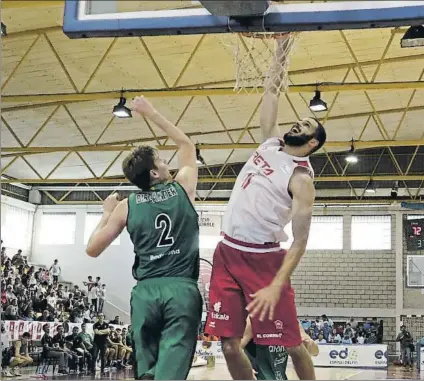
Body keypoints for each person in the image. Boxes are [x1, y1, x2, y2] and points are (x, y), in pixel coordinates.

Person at [205, 34, 326, 381]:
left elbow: (300, 241)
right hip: (227, 252)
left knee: (292, 345)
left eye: (304, 126)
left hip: (264, 261)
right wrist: (281, 47)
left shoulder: (302, 180)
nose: (296, 124)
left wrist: (277, 283)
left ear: (312, 142)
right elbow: (271, 91)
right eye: (298, 121)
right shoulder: (270, 143)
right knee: (229, 345)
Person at [86, 96, 202, 380]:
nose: (167, 163)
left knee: (146, 371)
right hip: (181, 290)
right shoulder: (182, 188)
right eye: (162, 160)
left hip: (145, 293)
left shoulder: (127, 206)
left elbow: (92, 249)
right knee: (170, 371)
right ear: (154, 172)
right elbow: (186, 145)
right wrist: (152, 113)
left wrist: (106, 212)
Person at [241, 318, 319, 380]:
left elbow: (315, 352)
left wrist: (309, 344)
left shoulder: (291, 321)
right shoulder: (253, 320)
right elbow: (236, 348)